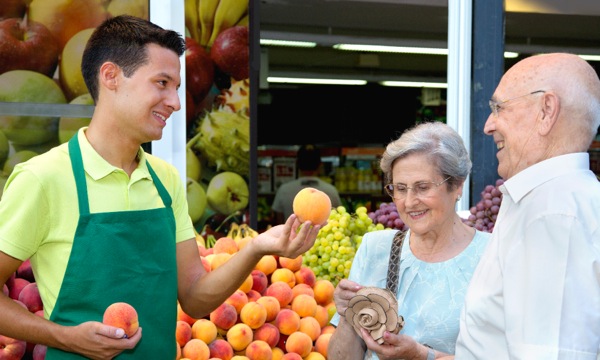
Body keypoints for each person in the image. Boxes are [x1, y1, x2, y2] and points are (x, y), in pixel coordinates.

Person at [0, 15, 322, 359]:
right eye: (162, 83)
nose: (176, 102)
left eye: (177, 88)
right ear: (111, 76)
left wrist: (256, 248)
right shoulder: (42, 178)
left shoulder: (164, 179)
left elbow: (196, 298)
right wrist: (62, 336)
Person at [451, 53, 600, 359]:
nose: (488, 126)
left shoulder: (554, 213)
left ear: (547, 111)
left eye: (499, 108)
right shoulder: (546, 201)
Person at [328, 121, 491, 360]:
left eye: (422, 187)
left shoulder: (491, 255)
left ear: (457, 185)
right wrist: (346, 314)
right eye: (400, 188)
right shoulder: (375, 250)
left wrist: (422, 355)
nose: (409, 202)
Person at [271, 144, 342, 224]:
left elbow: (278, 221)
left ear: (297, 164)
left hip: (292, 236)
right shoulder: (331, 190)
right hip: (322, 236)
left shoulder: (284, 190)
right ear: (320, 165)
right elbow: (338, 217)